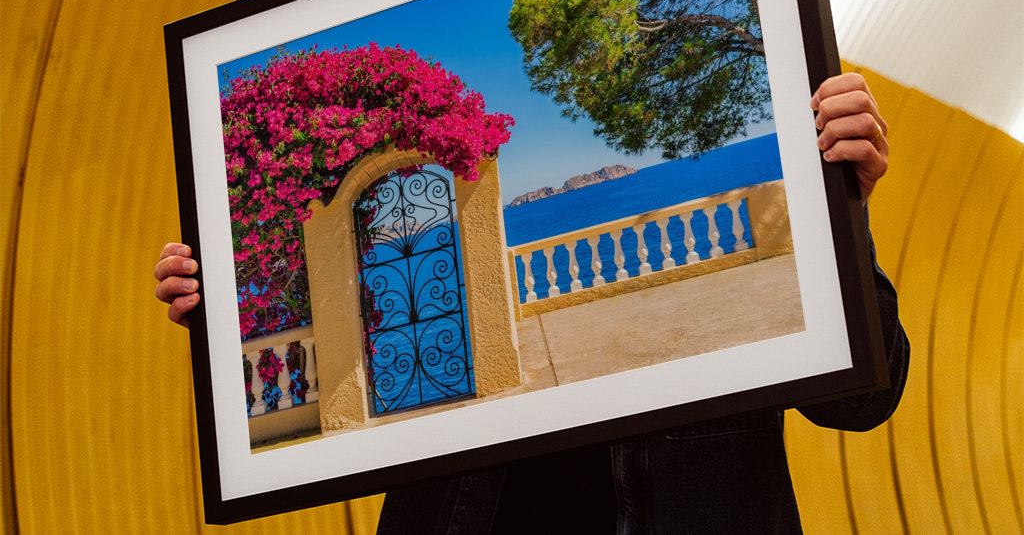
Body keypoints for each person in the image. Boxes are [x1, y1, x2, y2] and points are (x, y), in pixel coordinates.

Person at [155, 73, 909, 534]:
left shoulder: (806, 234)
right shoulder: (406, 315)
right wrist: (227, 306)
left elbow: (866, 400)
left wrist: (841, 207)